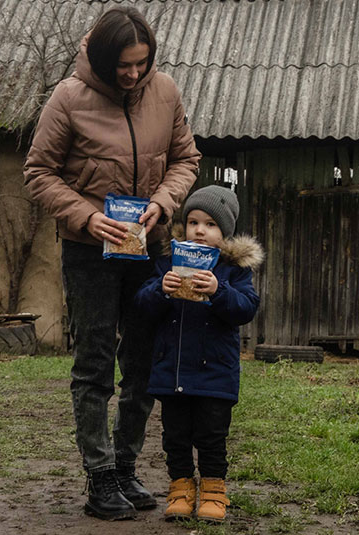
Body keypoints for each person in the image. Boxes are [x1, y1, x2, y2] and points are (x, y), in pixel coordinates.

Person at [23, 7, 201, 521]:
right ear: (102, 59)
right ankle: (99, 476)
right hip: (89, 253)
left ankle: (125, 467)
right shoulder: (68, 98)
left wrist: (163, 203)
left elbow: (186, 158)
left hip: (149, 247)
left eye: (142, 63)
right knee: (96, 364)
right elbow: (38, 172)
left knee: (143, 363)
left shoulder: (165, 91)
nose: (134, 74)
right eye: (124, 65)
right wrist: (85, 216)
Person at [134, 185, 264, 522]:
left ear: (225, 233)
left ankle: (213, 491)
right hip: (173, 369)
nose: (200, 230)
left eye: (210, 224)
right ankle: (180, 489)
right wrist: (161, 290)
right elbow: (142, 305)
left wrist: (219, 291)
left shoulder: (233, 270)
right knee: (175, 436)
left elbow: (247, 308)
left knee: (211, 436)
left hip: (215, 373)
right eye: (193, 222)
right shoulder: (168, 262)